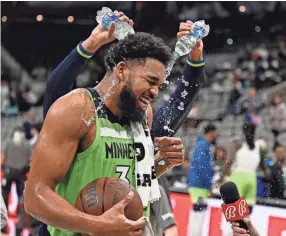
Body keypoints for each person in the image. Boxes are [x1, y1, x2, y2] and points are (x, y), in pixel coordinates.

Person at [41, 10, 206, 235]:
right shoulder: (82, 111)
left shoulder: (141, 119)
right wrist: (90, 44)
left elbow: (179, 104)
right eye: (150, 82)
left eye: (159, 86)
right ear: (121, 71)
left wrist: (195, 63)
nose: (155, 93)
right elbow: (55, 93)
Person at [219, 122, 264, 212]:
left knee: (232, 210)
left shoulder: (237, 143)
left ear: (243, 132)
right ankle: (244, 226)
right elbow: (262, 164)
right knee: (247, 211)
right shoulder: (259, 146)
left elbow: (229, 161)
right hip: (251, 178)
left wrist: (221, 176)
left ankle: (230, 226)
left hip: (237, 178)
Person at [187, 124, 218, 236]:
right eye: (216, 132)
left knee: (197, 214)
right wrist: (208, 185)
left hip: (197, 184)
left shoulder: (201, 145)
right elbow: (202, 167)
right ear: (211, 132)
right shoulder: (203, 146)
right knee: (198, 215)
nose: (217, 135)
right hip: (199, 186)